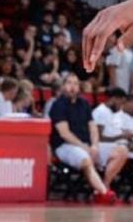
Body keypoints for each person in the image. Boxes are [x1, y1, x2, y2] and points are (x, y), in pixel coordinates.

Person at [48, 73, 118, 203]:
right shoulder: (58, 105)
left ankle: (101, 186)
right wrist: (85, 147)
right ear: (63, 86)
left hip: (87, 145)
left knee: (120, 151)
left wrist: (95, 146)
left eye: (75, 84)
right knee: (85, 159)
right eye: (69, 83)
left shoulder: (84, 103)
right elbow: (65, 133)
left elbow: (93, 127)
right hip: (64, 146)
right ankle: (104, 192)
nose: (72, 87)